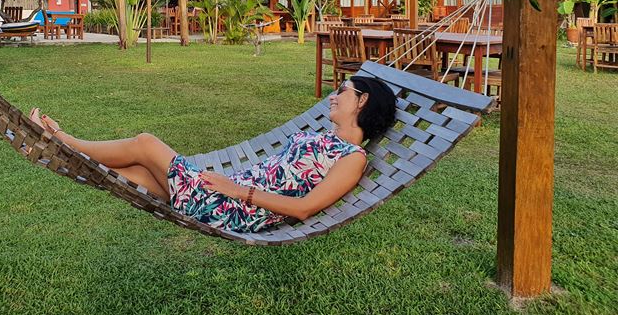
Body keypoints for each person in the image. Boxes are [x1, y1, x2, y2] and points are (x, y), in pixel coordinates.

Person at [30, 76, 396, 233]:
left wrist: (236, 191)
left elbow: (304, 208)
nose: (333, 95)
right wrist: (233, 184)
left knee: (145, 143)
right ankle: (54, 155)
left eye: (342, 91)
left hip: (230, 208)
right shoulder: (323, 139)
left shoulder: (353, 159)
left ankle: (62, 140)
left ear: (362, 102)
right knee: (136, 171)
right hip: (223, 192)